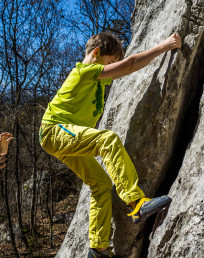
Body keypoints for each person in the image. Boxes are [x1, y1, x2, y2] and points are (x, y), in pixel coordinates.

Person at [39, 32, 181, 258]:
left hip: (63, 139)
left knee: (100, 184)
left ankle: (98, 248)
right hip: (55, 130)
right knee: (107, 139)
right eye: (109, 62)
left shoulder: (95, 77)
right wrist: (164, 46)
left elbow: (128, 68)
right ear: (96, 53)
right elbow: (130, 64)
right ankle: (136, 202)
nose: (111, 68)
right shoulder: (84, 72)